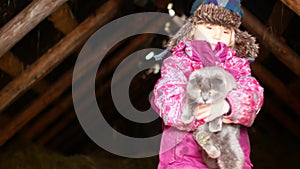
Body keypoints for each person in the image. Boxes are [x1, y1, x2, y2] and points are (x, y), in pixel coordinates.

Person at [151, 0, 264, 168]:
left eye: (225, 31)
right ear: (192, 29)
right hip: (184, 158)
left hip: (229, 157)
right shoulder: (177, 64)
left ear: (233, 36)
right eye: (209, 28)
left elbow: (254, 95)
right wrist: (203, 112)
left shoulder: (238, 65)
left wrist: (228, 106)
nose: (217, 35)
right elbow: (166, 100)